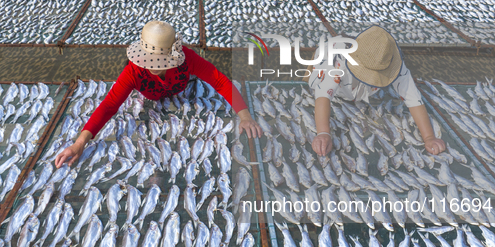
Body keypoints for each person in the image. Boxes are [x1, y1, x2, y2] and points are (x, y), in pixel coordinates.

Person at [55, 20, 262, 168]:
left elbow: (219, 81)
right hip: (151, 98)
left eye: (158, 62)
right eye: (148, 60)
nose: (151, 66)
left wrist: (244, 116)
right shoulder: (133, 71)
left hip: (180, 90)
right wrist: (80, 143)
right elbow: (109, 105)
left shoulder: (187, 58)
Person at [307, 25, 446, 157]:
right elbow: (323, 96)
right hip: (329, 60)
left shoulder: (388, 58)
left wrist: (429, 137)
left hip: (359, 73)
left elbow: (413, 98)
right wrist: (323, 133)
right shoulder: (335, 63)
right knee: (315, 83)